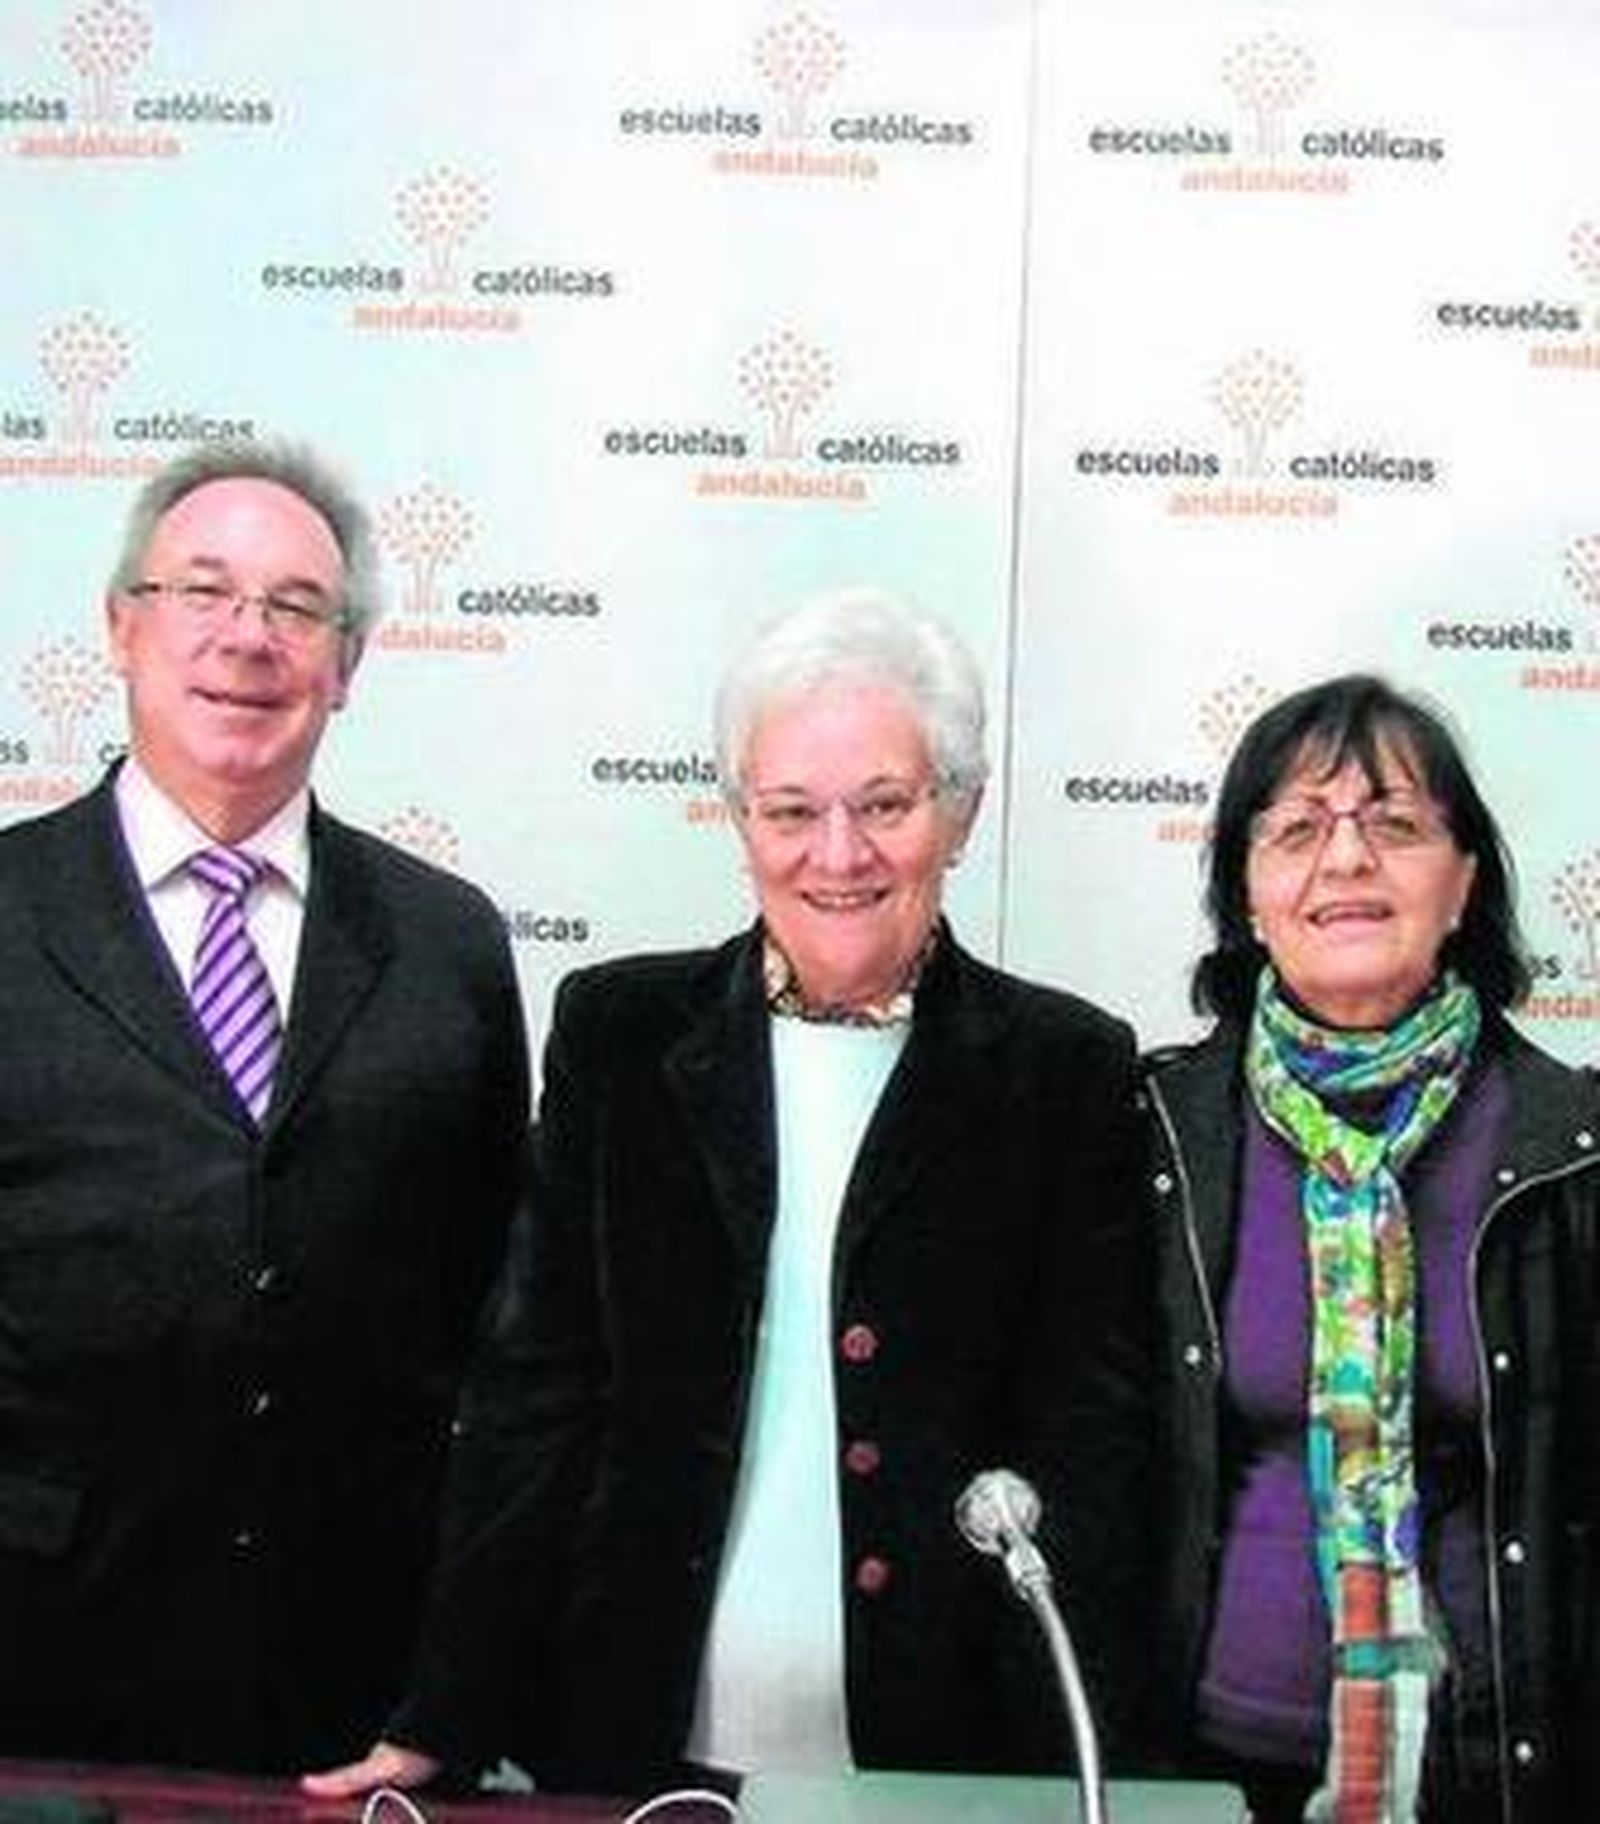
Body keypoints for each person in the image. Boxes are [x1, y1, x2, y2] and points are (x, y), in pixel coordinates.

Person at [306, 586, 1156, 1800]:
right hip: (630, 1738)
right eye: (791, 810)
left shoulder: (1063, 1069)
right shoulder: (619, 1034)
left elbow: (1092, 1440)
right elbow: (533, 1397)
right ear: (739, 818)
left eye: (885, 805)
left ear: (960, 813)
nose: (838, 854)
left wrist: (1084, 1769)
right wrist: (447, 1703)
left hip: (947, 1753)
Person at [0, 440, 529, 1773]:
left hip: (363, 1696)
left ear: (347, 665)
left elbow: (503, 1333)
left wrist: (464, 1683)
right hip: (37, 1671)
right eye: (203, 591)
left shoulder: (448, 943)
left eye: (298, 607)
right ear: (121, 626)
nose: (248, 638)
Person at [1145, 673, 1600, 1823]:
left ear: (1463, 885)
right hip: (1198, 1769)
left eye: (1394, 825)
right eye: (1297, 830)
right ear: (1246, 897)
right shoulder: (1152, 1134)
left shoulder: (1574, 1148)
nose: (1345, 859)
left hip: (1494, 1772)